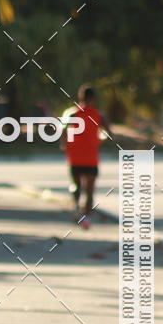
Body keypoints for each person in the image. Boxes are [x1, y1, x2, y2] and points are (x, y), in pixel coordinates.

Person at [62, 84, 111, 229]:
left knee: (76, 185)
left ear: (80, 97)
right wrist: (98, 141)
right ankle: (87, 218)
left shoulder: (71, 114)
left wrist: (66, 146)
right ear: (93, 98)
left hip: (75, 156)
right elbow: (108, 134)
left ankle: (77, 210)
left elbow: (63, 132)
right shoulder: (99, 116)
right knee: (89, 190)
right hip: (91, 157)